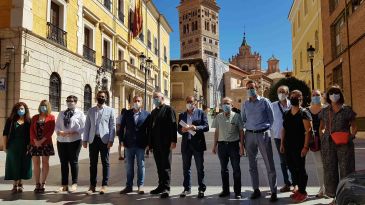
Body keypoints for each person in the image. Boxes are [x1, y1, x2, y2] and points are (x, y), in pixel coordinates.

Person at [319, 86, 357, 205]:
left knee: (346, 170)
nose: (333, 95)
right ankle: (335, 198)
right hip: (329, 144)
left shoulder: (347, 110)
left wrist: (350, 137)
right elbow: (321, 127)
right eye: (331, 93)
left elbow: (355, 127)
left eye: (336, 93)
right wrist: (323, 137)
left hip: (344, 144)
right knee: (330, 171)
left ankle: (347, 198)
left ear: (340, 94)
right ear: (328, 96)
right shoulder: (325, 111)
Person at [241, 80, 278, 202]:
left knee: (269, 163)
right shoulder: (245, 104)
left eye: (251, 87)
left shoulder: (264, 101)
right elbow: (243, 118)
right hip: (250, 135)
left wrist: (265, 130)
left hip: (263, 134)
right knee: (252, 165)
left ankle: (273, 191)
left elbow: (271, 119)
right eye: (247, 88)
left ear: (256, 88)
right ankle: (256, 189)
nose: (250, 90)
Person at [280, 90, 312, 203]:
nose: (295, 98)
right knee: (292, 168)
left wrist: (305, 147)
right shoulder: (286, 113)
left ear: (301, 99)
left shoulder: (304, 113)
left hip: (300, 146)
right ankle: (298, 189)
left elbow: (308, 131)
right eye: (293, 96)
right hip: (288, 146)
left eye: (298, 96)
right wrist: (282, 143)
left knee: (300, 169)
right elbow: (283, 129)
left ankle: (303, 192)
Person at [83, 90, 116, 195]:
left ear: (105, 98)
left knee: (105, 163)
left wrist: (111, 140)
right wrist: (85, 139)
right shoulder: (91, 110)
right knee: (93, 163)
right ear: (96, 97)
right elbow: (87, 125)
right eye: (99, 96)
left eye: (102, 96)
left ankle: (104, 185)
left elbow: (112, 126)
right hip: (93, 140)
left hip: (105, 140)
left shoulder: (110, 110)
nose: (101, 98)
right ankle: (92, 186)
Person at [212, 97, 244, 199]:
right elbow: (217, 132)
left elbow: (241, 132)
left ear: (231, 105)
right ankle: (225, 190)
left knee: (236, 170)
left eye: (228, 104)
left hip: (234, 146)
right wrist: (214, 145)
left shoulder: (237, 116)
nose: (225, 105)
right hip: (222, 146)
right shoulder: (218, 117)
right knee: (224, 170)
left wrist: (242, 147)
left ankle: (237, 192)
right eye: (224, 103)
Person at [178, 96, 209, 199]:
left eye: (191, 102)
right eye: (187, 102)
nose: (189, 103)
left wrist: (196, 127)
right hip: (186, 145)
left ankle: (201, 189)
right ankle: (187, 188)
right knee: (186, 168)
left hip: (198, 144)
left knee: (200, 168)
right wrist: (181, 130)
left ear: (195, 103)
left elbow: (206, 126)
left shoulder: (201, 113)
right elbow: (179, 129)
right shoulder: (182, 115)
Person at [148, 92, 177, 198]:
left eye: (157, 97)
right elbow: (150, 129)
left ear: (162, 98)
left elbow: (173, 126)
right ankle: (160, 186)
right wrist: (150, 144)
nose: (155, 99)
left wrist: (173, 140)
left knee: (166, 166)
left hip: (166, 143)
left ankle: (166, 188)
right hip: (156, 144)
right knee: (159, 166)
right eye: (153, 98)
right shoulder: (153, 112)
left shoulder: (169, 110)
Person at [119, 96, 150, 195]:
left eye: (138, 101)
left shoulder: (147, 114)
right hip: (128, 144)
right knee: (129, 166)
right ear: (132, 102)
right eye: (135, 101)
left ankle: (140, 185)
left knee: (141, 165)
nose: (136, 102)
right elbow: (122, 127)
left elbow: (149, 131)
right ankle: (129, 186)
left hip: (141, 144)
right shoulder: (127, 113)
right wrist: (121, 140)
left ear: (142, 102)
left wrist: (149, 143)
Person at [55, 95, 86, 193]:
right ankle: (64, 185)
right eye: (68, 100)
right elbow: (57, 126)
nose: (69, 102)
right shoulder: (62, 113)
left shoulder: (80, 113)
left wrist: (75, 132)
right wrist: (59, 132)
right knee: (63, 163)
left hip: (75, 140)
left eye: (72, 101)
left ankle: (74, 183)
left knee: (73, 161)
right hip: (62, 141)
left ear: (75, 102)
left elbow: (84, 127)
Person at [2, 102, 32, 193]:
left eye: (22, 109)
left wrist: (30, 146)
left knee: (23, 163)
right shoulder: (10, 120)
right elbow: (5, 134)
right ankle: (15, 184)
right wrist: (4, 146)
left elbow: (31, 135)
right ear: (15, 110)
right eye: (19, 109)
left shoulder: (28, 121)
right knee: (14, 164)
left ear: (25, 110)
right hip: (13, 145)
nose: (20, 110)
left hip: (25, 145)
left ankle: (20, 183)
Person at [29, 100, 56, 193]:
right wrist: (36, 141)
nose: (43, 107)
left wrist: (41, 141)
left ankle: (43, 183)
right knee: (36, 164)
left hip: (46, 143)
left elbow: (51, 131)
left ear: (48, 107)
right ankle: (37, 184)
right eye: (41, 105)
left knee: (45, 163)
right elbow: (31, 130)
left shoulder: (51, 117)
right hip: (35, 143)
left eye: (45, 105)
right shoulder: (35, 117)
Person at [271, 85, 292, 193]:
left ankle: (295, 183)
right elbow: (268, 118)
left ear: (287, 93)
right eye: (279, 91)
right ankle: (287, 183)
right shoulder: (273, 105)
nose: (281, 93)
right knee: (283, 161)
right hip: (278, 137)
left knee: (292, 160)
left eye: (283, 91)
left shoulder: (292, 105)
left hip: (292, 137)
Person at [308, 90, 325, 197]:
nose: (315, 97)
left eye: (317, 95)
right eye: (313, 95)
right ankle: (322, 188)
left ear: (321, 96)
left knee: (329, 165)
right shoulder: (307, 110)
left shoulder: (326, 108)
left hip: (326, 139)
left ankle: (330, 188)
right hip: (314, 141)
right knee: (319, 165)